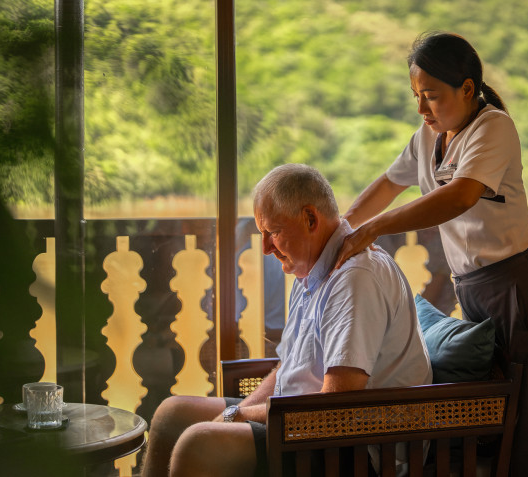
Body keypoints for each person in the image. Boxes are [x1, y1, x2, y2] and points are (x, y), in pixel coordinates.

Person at [334, 32, 528, 476]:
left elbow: (459, 197)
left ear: (467, 89)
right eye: (416, 96)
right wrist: (341, 232)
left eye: (431, 96)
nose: (421, 109)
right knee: (490, 411)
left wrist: (373, 229)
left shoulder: (493, 127)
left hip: (517, 287)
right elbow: (387, 186)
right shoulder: (427, 139)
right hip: (471, 288)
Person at [141, 164, 432, 477]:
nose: (266, 248)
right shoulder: (311, 271)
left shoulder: (356, 278)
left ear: (310, 219)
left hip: (358, 444)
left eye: (273, 233)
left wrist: (236, 418)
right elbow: (289, 368)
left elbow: (338, 404)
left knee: (199, 443)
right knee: (171, 415)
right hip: (301, 418)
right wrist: (238, 413)